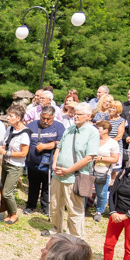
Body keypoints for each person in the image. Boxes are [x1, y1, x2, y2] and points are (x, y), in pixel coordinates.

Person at [42, 102, 99, 240]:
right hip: (58, 174)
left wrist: (68, 170)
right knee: (55, 205)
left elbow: (89, 158)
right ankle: (56, 229)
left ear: (88, 116)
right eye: (75, 113)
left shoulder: (93, 132)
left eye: (79, 114)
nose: (75, 116)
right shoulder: (69, 129)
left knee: (75, 209)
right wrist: (54, 164)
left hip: (76, 177)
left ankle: (75, 237)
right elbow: (59, 147)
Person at [25, 107, 63, 216]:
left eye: (48, 119)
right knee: (33, 185)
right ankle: (31, 205)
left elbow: (61, 142)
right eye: (43, 118)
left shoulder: (58, 126)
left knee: (47, 186)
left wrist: (45, 146)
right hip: (33, 163)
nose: (45, 121)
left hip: (49, 163)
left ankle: (45, 207)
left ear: (53, 118)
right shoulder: (31, 125)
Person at [0, 104, 31, 225]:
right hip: (5, 163)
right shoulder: (10, 129)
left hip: (15, 165)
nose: (8, 118)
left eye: (11, 116)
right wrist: (2, 148)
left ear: (18, 118)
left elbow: (23, 153)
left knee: (7, 192)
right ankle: (8, 212)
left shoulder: (24, 134)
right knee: (3, 189)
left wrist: (7, 153)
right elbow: (6, 143)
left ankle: (14, 214)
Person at [91, 120, 120, 222]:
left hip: (103, 172)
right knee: (85, 190)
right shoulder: (93, 140)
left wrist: (101, 158)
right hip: (90, 170)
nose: (96, 130)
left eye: (98, 128)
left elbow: (115, 159)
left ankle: (99, 211)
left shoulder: (113, 143)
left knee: (101, 193)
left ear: (105, 130)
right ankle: (82, 208)